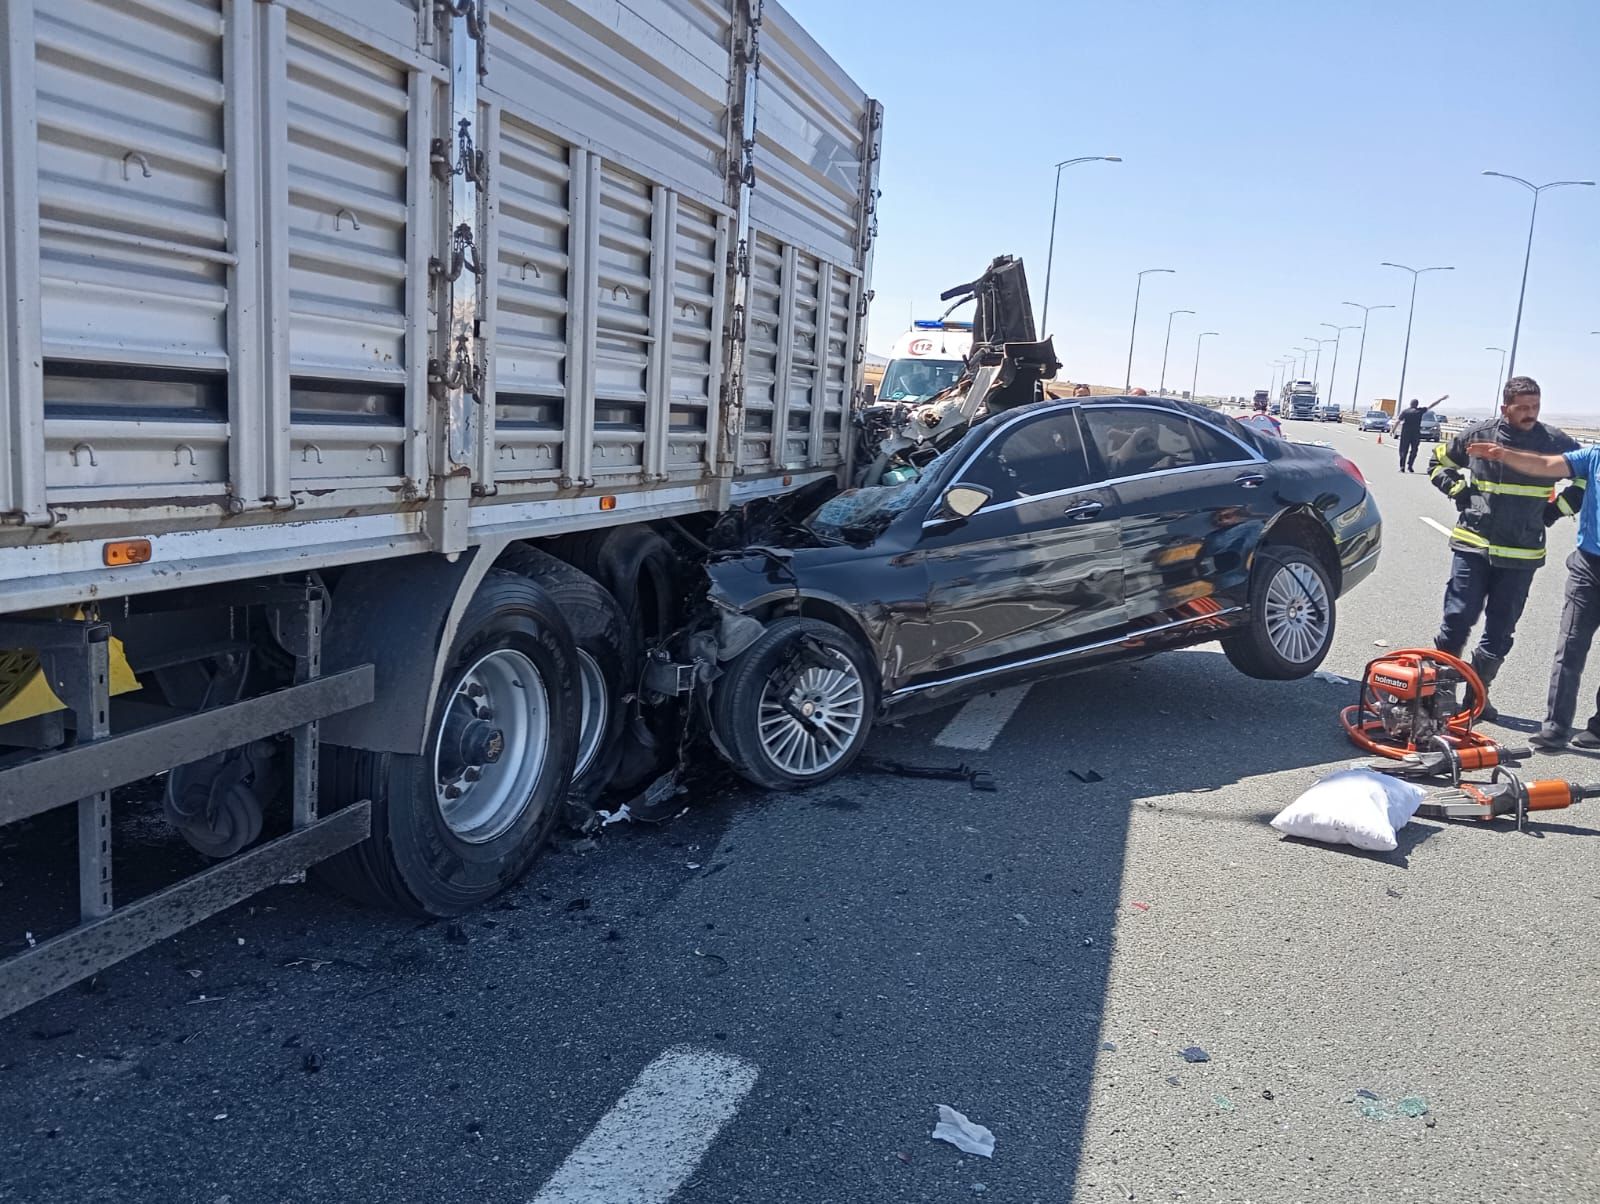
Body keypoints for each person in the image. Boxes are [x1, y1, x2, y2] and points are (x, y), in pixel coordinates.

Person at [1427, 376, 1580, 720]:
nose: (1530, 413)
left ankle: (1478, 696)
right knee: (1457, 617)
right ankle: (1442, 693)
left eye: (1535, 407)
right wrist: (1458, 492)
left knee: (1500, 629)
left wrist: (1558, 510)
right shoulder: (1477, 435)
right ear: (1505, 408)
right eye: (1522, 407)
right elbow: (1437, 464)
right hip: (1473, 544)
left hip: (1522, 553)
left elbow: (1586, 477)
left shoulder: (1554, 441)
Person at [1464, 436, 1595, 749]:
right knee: (1571, 647)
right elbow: (1544, 464)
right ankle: (1555, 728)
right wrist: (1505, 455)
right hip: (1589, 567)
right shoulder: (1594, 457)